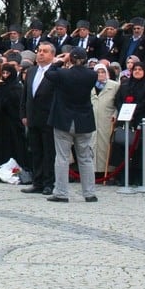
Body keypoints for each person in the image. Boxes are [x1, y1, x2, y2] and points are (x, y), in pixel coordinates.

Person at [43, 47, 99, 202]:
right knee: (85, 158)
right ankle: (89, 193)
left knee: (62, 157)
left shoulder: (63, 73)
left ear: (71, 59)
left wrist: (61, 60)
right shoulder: (92, 75)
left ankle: (61, 192)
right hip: (84, 120)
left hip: (64, 119)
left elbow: (48, 72)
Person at [20, 42, 58, 195]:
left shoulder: (56, 72)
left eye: (45, 51)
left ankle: (49, 183)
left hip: (48, 118)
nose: (41, 53)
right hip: (32, 118)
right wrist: (23, 114)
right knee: (35, 151)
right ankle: (37, 182)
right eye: (39, 51)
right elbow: (26, 95)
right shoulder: (31, 71)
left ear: (52, 55)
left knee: (48, 152)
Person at [91, 63, 119, 176]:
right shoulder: (90, 85)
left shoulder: (114, 85)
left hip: (107, 119)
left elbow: (118, 103)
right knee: (92, 144)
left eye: (103, 72)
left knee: (105, 145)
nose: (100, 75)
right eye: (98, 72)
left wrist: (115, 115)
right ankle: (92, 171)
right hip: (92, 119)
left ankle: (106, 171)